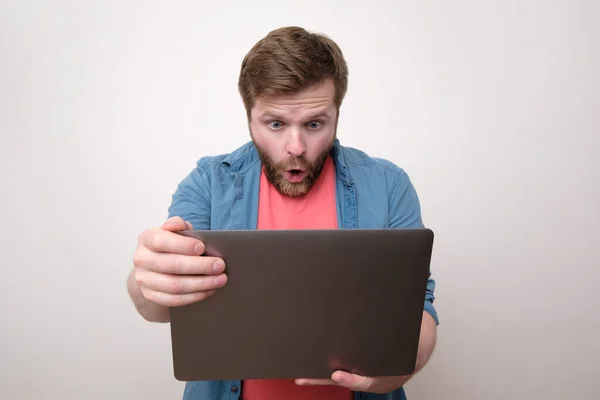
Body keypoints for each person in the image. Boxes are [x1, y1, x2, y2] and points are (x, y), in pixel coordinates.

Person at [127, 26, 438, 400]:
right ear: (249, 115)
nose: (296, 147)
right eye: (275, 124)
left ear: (337, 113)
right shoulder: (208, 183)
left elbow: (418, 309)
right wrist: (148, 283)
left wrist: (393, 372)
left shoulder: (388, 185)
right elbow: (160, 306)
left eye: (314, 124)